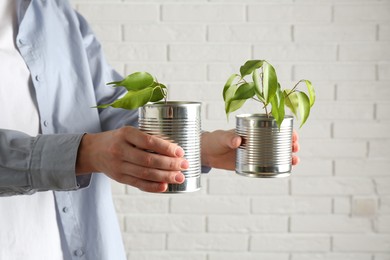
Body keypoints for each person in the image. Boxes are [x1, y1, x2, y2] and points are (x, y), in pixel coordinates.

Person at [0, 0, 300, 259]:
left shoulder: (56, 14)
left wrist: (197, 147)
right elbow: (92, 142)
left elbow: (107, 106)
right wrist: (84, 153)